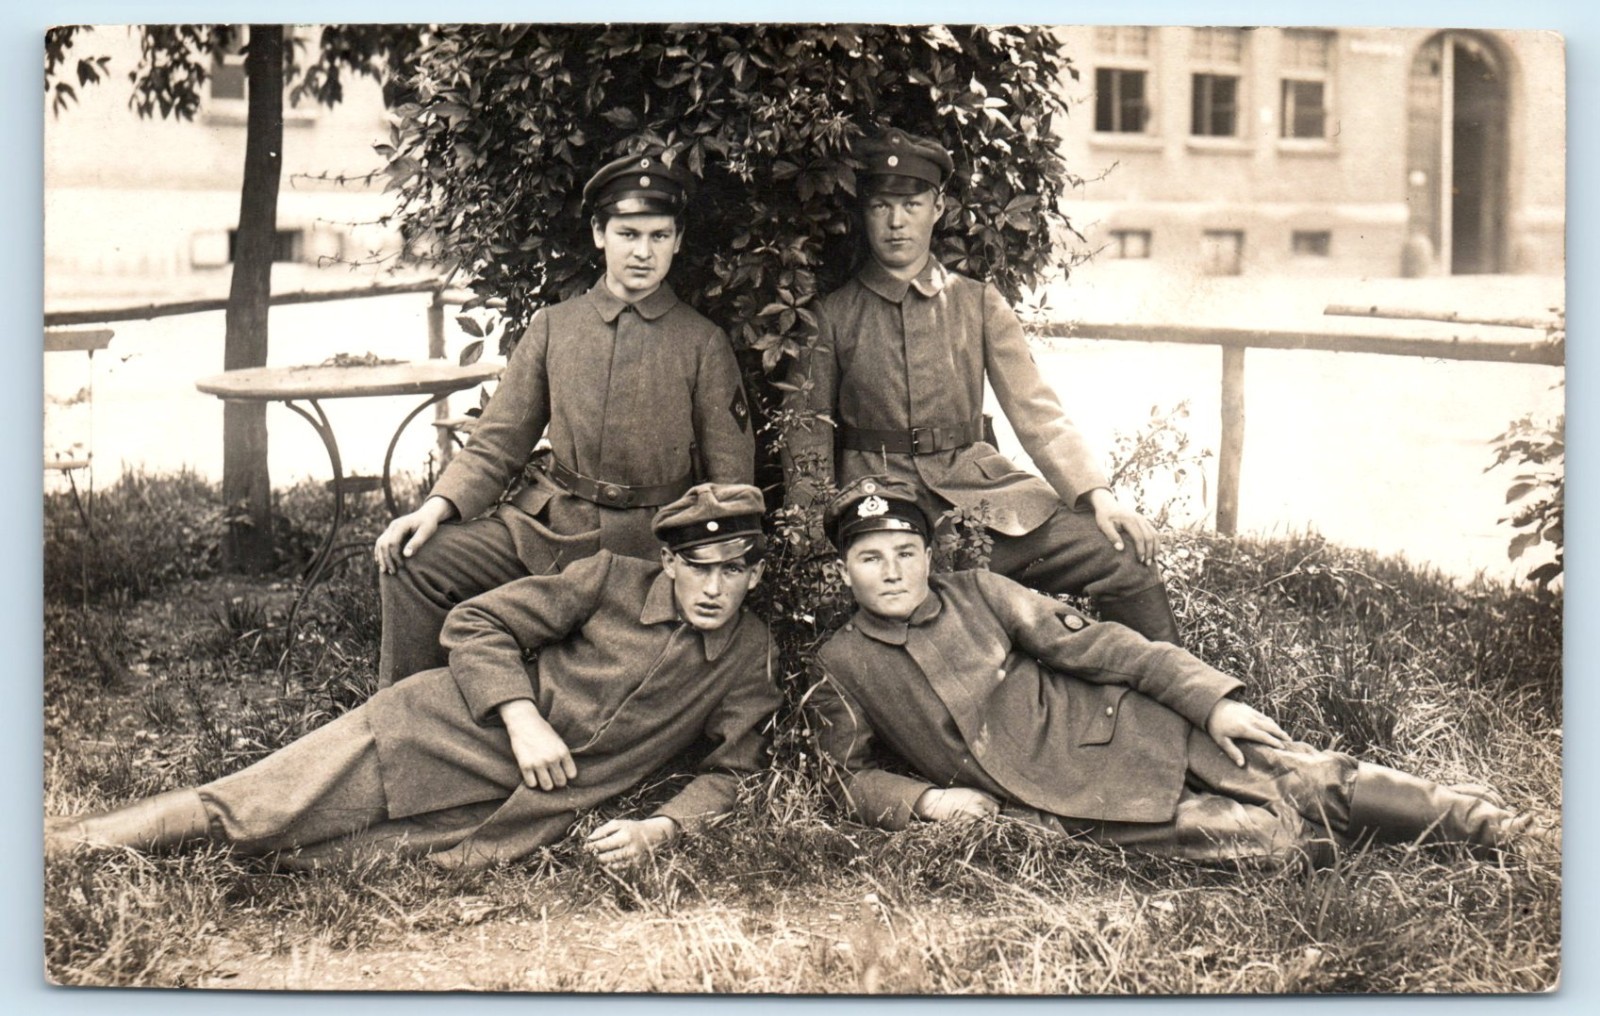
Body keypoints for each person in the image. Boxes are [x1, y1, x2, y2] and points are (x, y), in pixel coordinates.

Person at [805, 476, 1537, 864]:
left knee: (1309, 778)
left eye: (906, 553)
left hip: (1133, 729)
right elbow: (845, 771)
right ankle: (1411, 823)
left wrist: (1208, 701)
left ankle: (1488, 826)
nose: (893, 571)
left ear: (930, 559)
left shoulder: (980, 593)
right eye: (871, 557)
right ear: (845, 574)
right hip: (1063, 805)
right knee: (1274, 844)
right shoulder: (840, 662)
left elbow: (1107, 648)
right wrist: (927, 801)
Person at [49, 484, 780, 872]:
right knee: (248, 814)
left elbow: (733, 768)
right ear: (672, 563)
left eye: (735, 570)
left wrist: (662, 828)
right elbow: (474, 623)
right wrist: (522, 718)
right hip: (436, 732)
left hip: (507, 814)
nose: (715, 588)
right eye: (700, 568)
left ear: (753, 573)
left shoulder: (749, 654)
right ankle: (63, 846)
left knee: (303, 864)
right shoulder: (610, 579)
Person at [373, 148, 755, 685]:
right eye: (628, 234)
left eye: (659, 236)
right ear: (599, 234)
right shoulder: (554, 327)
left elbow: (731, 483)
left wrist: (708, 564)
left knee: (612, 673)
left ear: (678, 240)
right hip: (550, 534)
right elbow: (497, 441)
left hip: (648, 550)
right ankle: (412, 712)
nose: (643, 252)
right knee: (417, 562)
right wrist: (436, 508)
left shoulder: (702, 343)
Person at [782, 127, 1179, 643]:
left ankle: (1176, 705)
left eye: (912, 203)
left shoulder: (976, 302)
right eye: (881, 205)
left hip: (984, 505)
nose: (897, 222)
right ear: (864, 212)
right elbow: (806, 437)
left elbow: (1038, 411)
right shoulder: (832, 317)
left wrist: (1098, 495)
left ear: (938, 206)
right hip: (883, 512)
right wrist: (813, 538)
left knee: (1120, 554)